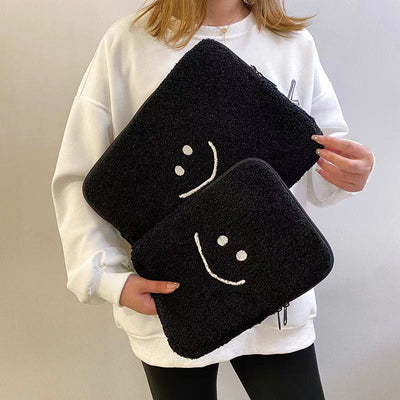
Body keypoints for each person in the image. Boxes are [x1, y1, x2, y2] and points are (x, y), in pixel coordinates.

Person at [51, 0, 375, 398]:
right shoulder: (128, 43)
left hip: (275, 298)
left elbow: (320, 157)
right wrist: (106, 278)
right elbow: (82, 174)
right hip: (172, 299)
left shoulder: (293, 44)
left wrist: (349, 172)